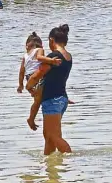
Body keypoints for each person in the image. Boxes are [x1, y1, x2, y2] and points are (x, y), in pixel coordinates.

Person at [26, 24, 73, 155]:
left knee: (53, 136)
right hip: (61, 99)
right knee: (49, 135)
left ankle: (72, 159)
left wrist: (28, 86)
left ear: (52, 40)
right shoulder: (68, 57)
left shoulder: (54, 57)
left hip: (52, 99)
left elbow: (37, 74)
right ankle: (51, 169)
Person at [17, 32, 62, 131]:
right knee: (38, 101)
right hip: (37, 77)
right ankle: (31, 119)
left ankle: (31, 118)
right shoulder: (39, 50)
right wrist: (51, 61)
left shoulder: (25, 55)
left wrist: (20, 85)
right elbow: (39, 58)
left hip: (29, 78)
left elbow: (21, 71)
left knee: (37, 101)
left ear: (27, 45)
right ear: (40, 44)